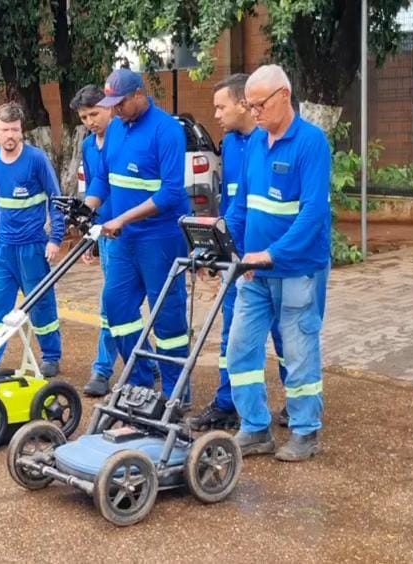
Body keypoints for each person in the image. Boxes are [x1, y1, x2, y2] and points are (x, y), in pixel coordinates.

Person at [224, 65, 331, 462]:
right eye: (249, 106)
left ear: (283, 96)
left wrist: (272, 254)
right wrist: (226, 242)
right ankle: (255, 427)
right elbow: (241, 205)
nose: (253, 112)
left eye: (259, 105)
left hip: (297, 269)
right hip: (254, 270)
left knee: (299, 352)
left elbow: (313, 213)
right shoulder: (255, 142)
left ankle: (304, 432)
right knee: (240, 347)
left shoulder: (311, 143)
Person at [84, 68, 191, 401]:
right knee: (116, 306)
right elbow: (102, 178)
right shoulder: (116, 128)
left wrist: (122, 219)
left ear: (140, 95)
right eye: (111, 105)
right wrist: (87, 209)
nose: (115, 110)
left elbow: (170, 193)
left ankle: (175, 393)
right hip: (124, 240)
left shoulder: (167, 131)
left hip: (160, 239)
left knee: (168, 318)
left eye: (121, 103)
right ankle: (140, 383)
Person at [189, 74, 287, 431]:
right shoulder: (230, 144)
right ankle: (227, 404)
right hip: (238, 259)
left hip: (273, 260)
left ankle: (297, 403)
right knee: (233, 335)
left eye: (221, 107)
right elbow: (233, 204)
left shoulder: (270, 141)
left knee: (286, 336)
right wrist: (217, 246)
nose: (215, 114)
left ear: (244, 104)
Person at [69, 85, 159, 397]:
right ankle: (140, 359)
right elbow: (96, 187)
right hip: (105, 233)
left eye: (94, 114)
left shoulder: (125, 139)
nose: (90, 122)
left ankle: (106, 368)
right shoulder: (88, 146)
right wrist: (89, 234)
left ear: (110, 108)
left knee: (116, 302)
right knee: (118, 303)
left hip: (132, 232)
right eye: (84, 117)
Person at [0, 102, 65, 378]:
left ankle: (51, 356)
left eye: (15, 129)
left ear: (21, 130)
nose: (10, 135)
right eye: (5, 130)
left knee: (41, 304)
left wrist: (55, 239)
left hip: (33, 247)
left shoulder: (36, 159)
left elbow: (56, 199)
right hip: (2, 249)